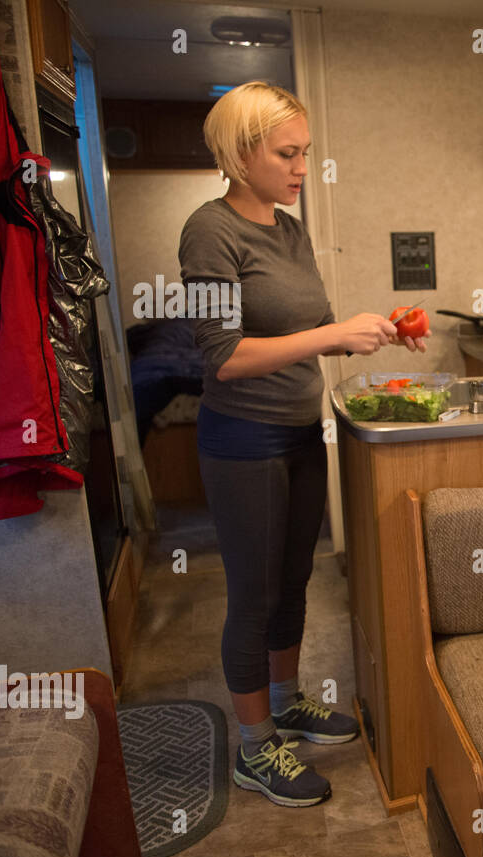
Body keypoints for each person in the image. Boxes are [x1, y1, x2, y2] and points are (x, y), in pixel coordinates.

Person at [179, 81, 428, 807]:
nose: (300, 169)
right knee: (253, 595)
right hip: (242, 439)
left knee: (295, 581)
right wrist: (332, 334)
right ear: (242, 151)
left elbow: (299, 333)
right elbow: (220, 353)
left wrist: (372, 332)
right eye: (288, 154)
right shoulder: (209, 231)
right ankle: (254, 750)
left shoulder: (288, 229)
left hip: (296, 429)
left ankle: (285, 702)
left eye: (305, 154)